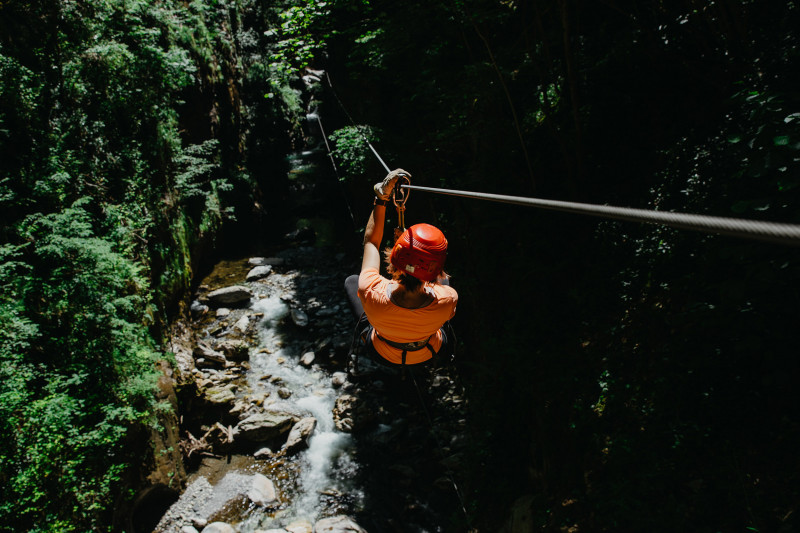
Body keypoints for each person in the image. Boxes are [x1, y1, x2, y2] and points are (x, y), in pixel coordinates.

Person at [344, 169, 458, 367]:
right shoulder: (448, 299)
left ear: (395, 258)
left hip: (382, 352)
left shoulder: (371, 289)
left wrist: (381, 198)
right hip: (427, 351)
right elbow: (431, 275)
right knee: (445, 284)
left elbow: (371, 242)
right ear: (437, 269)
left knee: (351, 282)